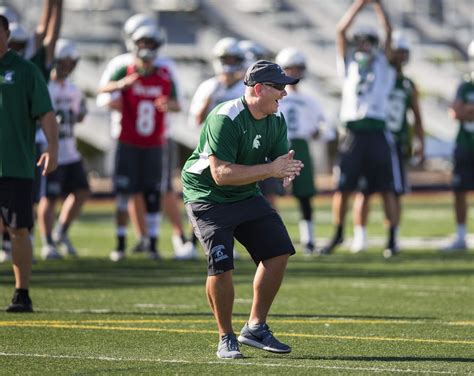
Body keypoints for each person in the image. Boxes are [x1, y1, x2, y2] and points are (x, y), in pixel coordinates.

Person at [182, 60, 303, 359]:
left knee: (278, 252)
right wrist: (271, 169)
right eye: (280, 87)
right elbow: (221, 173)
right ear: (259, 88)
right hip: (207, 196)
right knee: (222, 264)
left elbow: (277, 160)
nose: (285, 94)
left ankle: (255, 326)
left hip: (245, 194)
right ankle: (226, 336)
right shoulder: (225, 117)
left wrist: (285, 170)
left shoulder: (276, 119)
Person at [97, 14, 192, 259]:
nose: (147, 47)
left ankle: (167, 238)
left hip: (157, 139)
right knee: (127, 192)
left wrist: (165, 105)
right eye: (142, 41)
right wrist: (123, 94)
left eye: (151, 42)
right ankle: (131, 240)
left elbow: (178, 103)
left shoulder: (164, 70)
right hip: (126, 137)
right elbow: (103, 95)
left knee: (158, 190)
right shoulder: (122, 67)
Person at [320, 0, 401, 258]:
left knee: (386, 188)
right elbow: (340, 32)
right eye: (360, 41)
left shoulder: (384, 65)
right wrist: (359, 4)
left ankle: (391, 240)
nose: (362, 45)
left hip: (377, 130)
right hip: (352, 132)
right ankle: (339, 233)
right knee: (342, 187)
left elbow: (389, 32)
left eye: (366, 41)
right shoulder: (350, 65)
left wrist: (376, 6)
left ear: (374, 44)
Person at [0, 15, 59, 312]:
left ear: (7, 34)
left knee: (18, 229)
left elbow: (46, 114)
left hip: (15, 165)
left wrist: (52, 147)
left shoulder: (25, 70)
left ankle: (21, 293)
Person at [350, 31, 425, 253]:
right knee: (363, 190)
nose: (400, 56)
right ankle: (360, 236)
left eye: (404, 52)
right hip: (374, 137)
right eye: (397, 51)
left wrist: (421, 143)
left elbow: (417, 116)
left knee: (392, 190)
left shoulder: (407, 84)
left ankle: (393, 236)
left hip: (396, 141)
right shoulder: (377, 75)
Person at [37, 39, 89, 259]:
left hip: (70, 149)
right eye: (64, 61)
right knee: (49, 196)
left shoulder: (73, 89)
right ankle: (47, 241)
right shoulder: (44, 86)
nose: (67, 66)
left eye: (71, 62)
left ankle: (61, 232)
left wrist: (79, 114)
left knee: (82, 191)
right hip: (49, 147)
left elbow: (79, 114)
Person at [276, 47, 328, 254]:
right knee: (269, 194)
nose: (294, 73)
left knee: (305, 195)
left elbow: (323, 127)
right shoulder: (275, 96)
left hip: (301, 145)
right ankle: (273, 237)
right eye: (290, 69)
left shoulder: (310, 100)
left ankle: (308, 239)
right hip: (277, 143)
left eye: (297, 69)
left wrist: (317, 132)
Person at [442, 39, 474, 252]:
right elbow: (455, 112)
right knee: (459, 190)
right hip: (464, 145)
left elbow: (462, 111)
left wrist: (468, 110)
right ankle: (461, 235)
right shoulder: (465, 85)